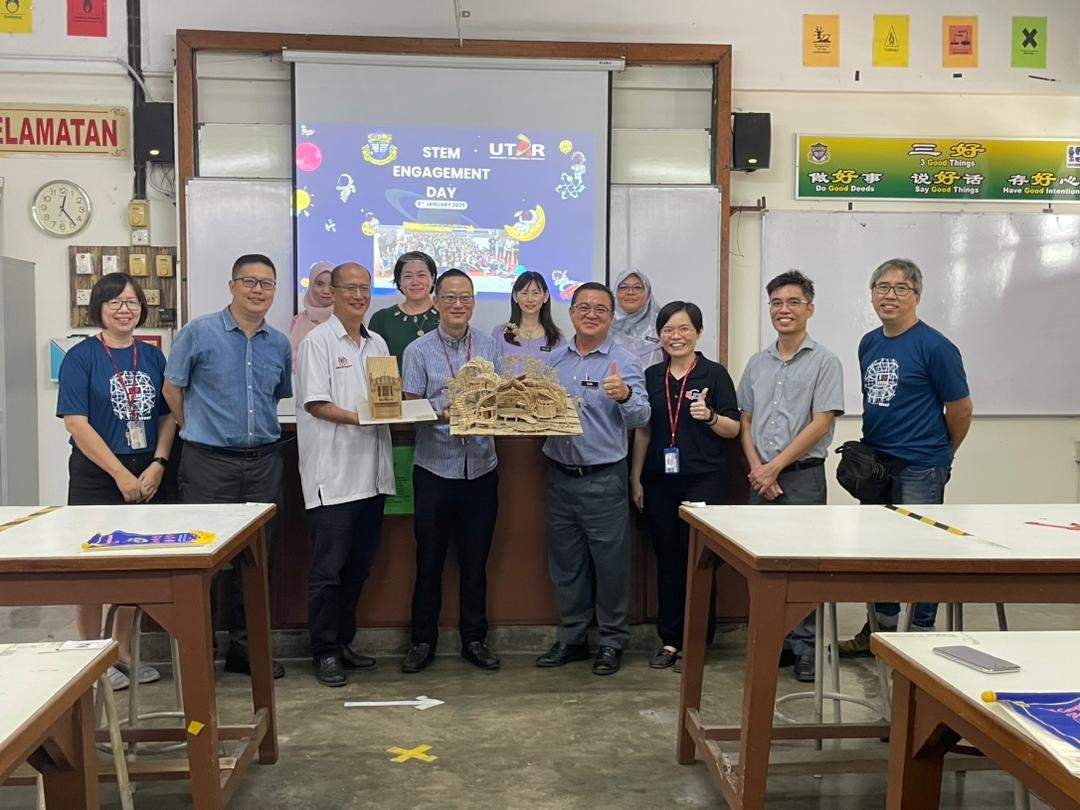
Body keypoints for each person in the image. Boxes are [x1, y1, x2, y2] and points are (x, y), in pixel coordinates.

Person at [163, 253, 292, 679]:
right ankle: (198, 656)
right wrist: (196, 429)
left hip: (263, 464)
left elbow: (275, 397)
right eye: (250, 281)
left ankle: (245, 651)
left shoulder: (278, 342)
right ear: (232, 285)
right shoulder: (198, 333)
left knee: (257, 562)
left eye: (267, 283)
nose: (258, 290)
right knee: (205, 563)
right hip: (208, 465)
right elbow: (172, 389)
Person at [839, 258, 973, 657]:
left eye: (900, 288)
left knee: (920, 555)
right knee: (879, 553)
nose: (889, 295)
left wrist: (942, 457)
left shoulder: (936, 347)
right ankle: (879, 634)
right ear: (871, 294)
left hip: (921, 467)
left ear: (917, 296)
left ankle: (919, 640)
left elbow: (961, 408)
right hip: (877, 465)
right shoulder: (869, 342)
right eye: (882, 287)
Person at [57, 273, 176, 690]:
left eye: (132, 301)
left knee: (131, 568)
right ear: (99, 310)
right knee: (91, 568)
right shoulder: (82, 357)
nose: (125, 309)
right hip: (98, 474)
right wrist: (120, 474)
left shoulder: (153, 356)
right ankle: (91, 656)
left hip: (146, 473)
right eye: (114, 302)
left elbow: (166, 414)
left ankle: (122, 652)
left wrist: (159, 463)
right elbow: (77, 422)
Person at [736, 271, 844, 682]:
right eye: (777, 303)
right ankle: (775, 642)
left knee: (803, 566)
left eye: (793, 302)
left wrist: (775, 466)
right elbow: (745, 419)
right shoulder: (757, 363)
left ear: (809, 309)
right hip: (760, 478)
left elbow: (820, 423)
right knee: (763, 563)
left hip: (801, 478)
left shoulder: (824, 361)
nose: (784, 309)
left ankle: (806, 648)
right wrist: (758, 469)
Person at [537, 282, 650, 676]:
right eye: (583, 307)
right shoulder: (553, 360)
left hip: (604, 478)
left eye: (600, 309)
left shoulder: (624, 361)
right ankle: (572, 638)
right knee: (566, 565)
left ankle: (611, 642)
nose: (591, 314)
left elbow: (641, 418)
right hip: (559, 475)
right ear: (571, 314)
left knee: (611, 566)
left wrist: (623, 396)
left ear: (611, 316)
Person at [400, 268, 503, 673]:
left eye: (466, 298)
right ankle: (422, 641)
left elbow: (501, 398)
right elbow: (410, 409)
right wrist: (436, 412)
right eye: (450, 298)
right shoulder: (418, 350)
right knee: (429, 560)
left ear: (473, 301)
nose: (458, 305)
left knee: (476, 561)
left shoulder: (491, 346)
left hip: (481, 469)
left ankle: (474, 639)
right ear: (437, 302)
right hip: (434, 469)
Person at [296, 262, 394, 687]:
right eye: (349, 288)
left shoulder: (378, 343)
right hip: (332, 478)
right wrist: (363, 418)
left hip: (371, 475)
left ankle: (344, 641)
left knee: (359, 567)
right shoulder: (317, 343)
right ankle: (325, 651)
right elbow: (316, 403)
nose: (358, 295)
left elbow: (386, 401)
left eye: (365, 289)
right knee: (328, 572)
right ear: (331, 292)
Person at [630, 301, 739, 673]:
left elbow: (734, 428)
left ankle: (697, 641)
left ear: (698, 333)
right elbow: (643, 430)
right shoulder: (651, 376)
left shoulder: (714, 374)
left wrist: (709, 416)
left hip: (703, 480)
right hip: (659, 483)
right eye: (668, 330)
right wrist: (636, 478)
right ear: (659, 335)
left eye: (683, 329)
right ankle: (670, 639)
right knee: (668, 562)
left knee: (699, 563)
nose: (675, 336)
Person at [367, 251, 440, 363]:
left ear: (433, 278)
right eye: (408, 276)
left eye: (421, 275)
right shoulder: (382, 319)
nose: (415, 282)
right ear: (399, 281)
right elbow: (375, 366)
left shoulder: (447, 315)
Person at [492, 270, 564, 368]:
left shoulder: (556, 338)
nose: (530, 299)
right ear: (515, 296)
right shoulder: (499, 333)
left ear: (545, 296)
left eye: (535, 293)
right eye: (524, 293)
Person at [611, 269, 663, 367]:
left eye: (638, 287)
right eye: (623, 287)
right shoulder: (603, 326)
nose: (630, 292)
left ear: (647, 293)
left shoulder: (663, 325)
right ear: (615, 293)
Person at [289, 260, 334, 365]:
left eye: (332, 285)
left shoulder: (348, 320)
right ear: (311, 286)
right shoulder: (297, 320)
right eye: (319, 284)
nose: (326, 291)